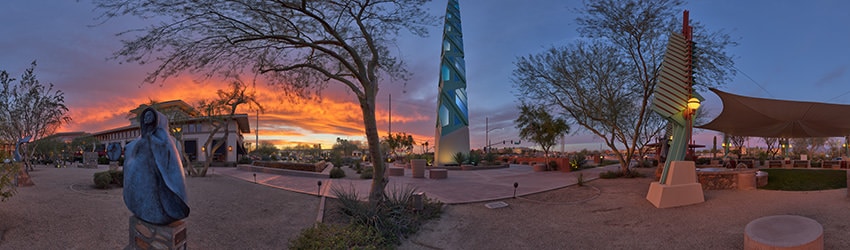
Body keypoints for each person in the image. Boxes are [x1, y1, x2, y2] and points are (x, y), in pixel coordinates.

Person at [123, 108, 190, 225]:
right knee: (145, 193)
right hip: (144, 174)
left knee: (158, 195)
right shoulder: (141, 138)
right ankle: (144, 210)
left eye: (149, 116)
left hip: (156, 173)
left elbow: (166, 151)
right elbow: (134, 152)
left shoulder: (163, 137)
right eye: (145, 117)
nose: (147, 118)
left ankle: (161, 213)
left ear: (156, 119)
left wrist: (153, 141)